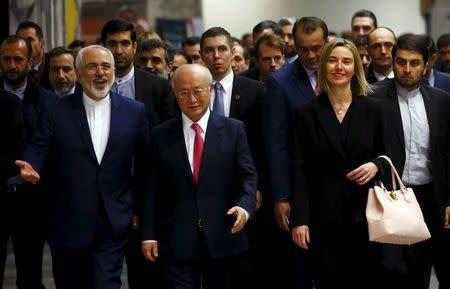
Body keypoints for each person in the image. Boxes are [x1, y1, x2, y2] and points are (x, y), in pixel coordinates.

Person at [15, 45, 150, 289]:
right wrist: (31, 164)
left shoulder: (134, 111)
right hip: (68, 221)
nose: (100, 72)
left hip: (113, 220)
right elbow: (39, 145)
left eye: (106, 66)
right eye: (92, 66)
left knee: (105, 284)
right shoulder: (56, 109)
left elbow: (144, 165)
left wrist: (140, 208)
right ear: (78, 73)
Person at [141, 64, 257, 289]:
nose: (191, 98)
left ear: (211, 90)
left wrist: (244, 208)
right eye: (183, 92)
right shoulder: (159, 135)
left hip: (223, 235)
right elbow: (151, 189)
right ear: (175, 94)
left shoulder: (234, 130)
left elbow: (248, 177)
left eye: (198, 90)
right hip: (176, 239)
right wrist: (148, 235)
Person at [291, 38, 389, 289]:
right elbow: (300, 170)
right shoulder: (306, 113)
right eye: (333, 61)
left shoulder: (374, 109)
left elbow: (391, 155)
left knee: (365, 280)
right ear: (323, 66)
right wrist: (300, 219)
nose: (339, 67)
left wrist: (376, 164)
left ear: (356, 68)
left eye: (346, 61)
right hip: (323, 215)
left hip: (367, 214)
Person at [370, 33, 450, 289]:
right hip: (389, 196)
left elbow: (446, 153)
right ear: (393, 63)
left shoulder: (440, 100)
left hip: (428, 197)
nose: (407, 69)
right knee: (387, 271)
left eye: (414, 63)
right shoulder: (373, 97)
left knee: (421, 271)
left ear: (427, 64)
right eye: (401, 62)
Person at [101, 18, 176, 289]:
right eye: (112, 44)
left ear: (134, 46)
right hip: (104, 194)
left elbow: (168, 144)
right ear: (104, 47)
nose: (119, 50)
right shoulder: (90, 86)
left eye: (124, 43)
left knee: (146, 273)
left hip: (147, 193)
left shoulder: (157, 87)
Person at [263, 16, 329, 289]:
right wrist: (280, 196)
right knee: (301, 265)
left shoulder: (340, 72)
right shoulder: (281, 82)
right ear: (294, 46)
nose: (311, 55)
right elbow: (275, 143)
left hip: (339, 184)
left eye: (317, 48)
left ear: (327, 42)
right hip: (299, 185)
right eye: (304, 49)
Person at [0, 35, 53, 289]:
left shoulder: (48, 101)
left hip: (32, 200)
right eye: (6, 59)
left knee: (30, 275)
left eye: (18, 59)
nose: (11, 65)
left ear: (30, 61)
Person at [16, 21, 50, 88]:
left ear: (42, 43)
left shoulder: (53, 63)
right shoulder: (13, 66)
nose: (25, 44)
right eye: (21, 40)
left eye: (29, 40)